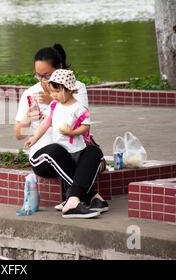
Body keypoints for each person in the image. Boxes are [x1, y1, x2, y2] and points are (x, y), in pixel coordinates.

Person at [14, 43, 108, 218]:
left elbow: (80, 122)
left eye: (47, 76)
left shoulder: (76, 88)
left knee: (94, 152)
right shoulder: (29, 93)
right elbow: (18, 134)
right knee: (55, 150)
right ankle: (93, 196)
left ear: (59, 69)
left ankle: (72, 201)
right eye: (38, 76)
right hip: (44, 156)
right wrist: (28, 118)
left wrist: (52, 98)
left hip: (71, 151)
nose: (42, 81)